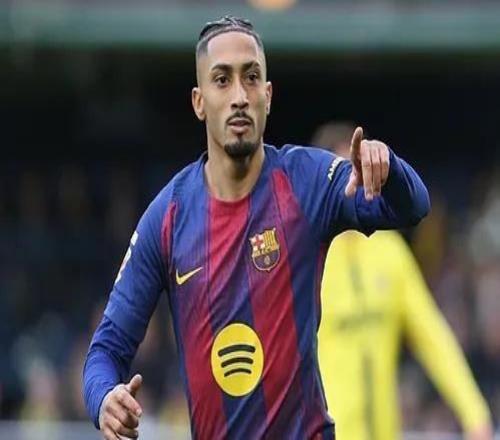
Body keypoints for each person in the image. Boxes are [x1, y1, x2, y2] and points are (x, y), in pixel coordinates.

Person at [82, 16, 430, 440]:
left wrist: (388, 167)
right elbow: (107, 349)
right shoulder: (168, 217)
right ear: (199, 101)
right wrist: (104, 399)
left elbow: (411, 206)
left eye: (251, 78)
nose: (239, 96)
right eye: (222, 80)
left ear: (268, 95)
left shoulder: (307, 182)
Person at [314, 122, 493, 440]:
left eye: (358, 174)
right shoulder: (310, 253)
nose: (352, 187)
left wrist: (474, 413)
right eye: (342, 176)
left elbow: (432, 334)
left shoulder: (389, 252)